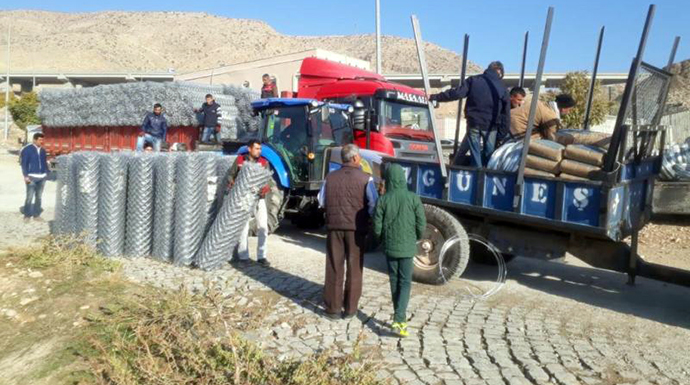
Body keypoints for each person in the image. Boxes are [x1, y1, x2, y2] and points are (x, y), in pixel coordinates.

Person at [317, 144, 378, 320]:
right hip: (356, 229)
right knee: (354, 268)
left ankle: (333, 309)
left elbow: (321, 201)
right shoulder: (366, 179)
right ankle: (350, 309)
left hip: (334, 227)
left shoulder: (330, 177)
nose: (359, 159)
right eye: (359, 156)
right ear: (354, 158)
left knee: (334, 266)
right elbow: (373, 204)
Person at [373, 163, 426, 337]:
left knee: (394, 282)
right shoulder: (413, 198)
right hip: (407, 247)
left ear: (388, 180)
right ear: (403, 179)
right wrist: (415, 237)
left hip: (390, 247)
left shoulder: (383, 199)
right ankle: (400, 319)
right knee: (405, 282)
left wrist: (382, 240)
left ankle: (398, 317)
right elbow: (421, 224)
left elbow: (377, 227)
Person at [430, 61, 511, 167]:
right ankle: (486, 176)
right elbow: (506, 114)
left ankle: (475, 174)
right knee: (489, 155)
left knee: (475, 154)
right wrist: (502, 133)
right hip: (491, 127)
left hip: (474, 123)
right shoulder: (502, 88)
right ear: (500, 72)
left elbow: (456, 93)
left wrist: (435, 97)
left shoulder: (473, 80)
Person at [229, 139, 271, 266]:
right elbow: (231, 175)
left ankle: (262, 256)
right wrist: (233, 184)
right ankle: (243, 257)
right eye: (256, 148)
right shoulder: (240, 160)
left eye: (260, 149)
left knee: (263, 227)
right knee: (244, 227)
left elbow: (267, 179)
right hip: (245, 199)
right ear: (249, 149)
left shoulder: (264, 162)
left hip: (259, 199)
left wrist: (265, 188)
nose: (259, 151)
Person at [510, 93, 576, 141]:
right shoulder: (551, 116)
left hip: (509, 119)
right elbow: (552, 137)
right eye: (569, 109)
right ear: (563, 108)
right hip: (516, 127)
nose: (569, 112)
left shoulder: (543, 104)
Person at [20, 133, 49, 221]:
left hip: (42, 177)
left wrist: (47, 173)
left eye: (42, 140)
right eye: (40, 140)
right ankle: (27, 215)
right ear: (34, 140)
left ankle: (36, 215)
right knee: (29, 197)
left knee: (39, 197)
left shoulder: (43, 150)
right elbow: (23, 164)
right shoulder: (27, 150)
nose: (42, 142)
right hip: (31, 177)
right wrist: (25, 176)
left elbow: (44, 162)